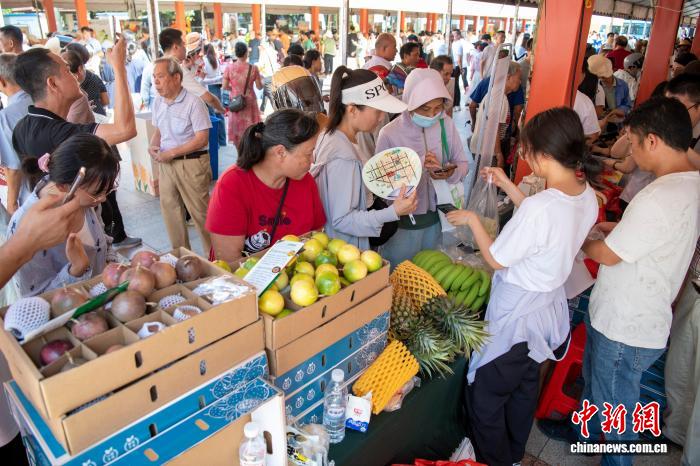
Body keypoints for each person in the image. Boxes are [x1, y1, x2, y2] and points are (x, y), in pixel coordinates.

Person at [448, 107, 599, 466]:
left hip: (516, 316)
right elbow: (545, 221)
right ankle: (515, 455)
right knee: (523, 389)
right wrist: (507, 185)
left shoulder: (542, 208)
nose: (525, 156)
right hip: (545, 315)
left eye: (528, 150)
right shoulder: (585, 193)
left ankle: (497, 460)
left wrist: (472, 220)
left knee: (486, 396)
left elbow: (496, 259)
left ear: (544, 155)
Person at [570, 97, 700, 466]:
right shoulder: (690, 183)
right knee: (599, 388)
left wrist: (581, 237)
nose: (632, 152)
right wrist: (621, 226)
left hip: (625, 325)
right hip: (638, 316)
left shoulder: (658, 196)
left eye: (633, 142)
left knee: (617, 411)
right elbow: (658, 236)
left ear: (653, 141)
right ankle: (584, 436)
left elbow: (607, 255)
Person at [12, 40, 141, 250]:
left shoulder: (22, 127)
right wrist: (119, 67)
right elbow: (125, 129)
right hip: (72, 244)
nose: (75, 75)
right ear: (53, 84)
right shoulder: (57, 132)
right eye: (67, 71)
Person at [311, 67, 415, 250]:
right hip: (346, 251)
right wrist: (393, 211)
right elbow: (342, 219)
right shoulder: (344, 157)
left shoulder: (332, 136)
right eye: (377, 111)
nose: (382, 117)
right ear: (352, 109)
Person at [375, 68, 469, 266]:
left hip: (438, 219)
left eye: (438, 108)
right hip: (401, 225)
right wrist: (416, 164)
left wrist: (448, 173)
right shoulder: (389, 133)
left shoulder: (446, 124)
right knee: (399, 275)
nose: (432, 114)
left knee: (432, 273)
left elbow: (462, 164)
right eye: (424, 109)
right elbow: (381, 184)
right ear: (409, 103)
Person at [9, 133, 120, 296]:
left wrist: (112, 266)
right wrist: (75, 270)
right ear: (63, 186)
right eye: (97, 193)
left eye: (107, 190)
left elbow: (103, 241)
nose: (103, 198)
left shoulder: (88, 201)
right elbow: (36, 298)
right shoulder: (24, 226)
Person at [207, 109, 326, 261]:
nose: (312, 160)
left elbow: (315, 238)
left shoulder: (305, 182)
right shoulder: (232, 185)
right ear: (280, 152)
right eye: (308, 153)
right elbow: (229, 261)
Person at [149, 57, 212, 253]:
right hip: (167, 165)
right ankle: (182, 256)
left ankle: (216, 256)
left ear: (176, 77)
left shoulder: (194, 103)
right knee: (171, 212)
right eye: (154, 77)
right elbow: (159, 130)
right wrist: (153, 144)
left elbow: (202, 139)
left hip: (191, 163)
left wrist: (172, 153)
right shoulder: (158, 102)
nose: (156, 82)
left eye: (160, 76)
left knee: (201, 213)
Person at [469, 61, 524, 169]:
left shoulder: (497, 94)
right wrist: (499, 154)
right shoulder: (500, 99)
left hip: (485, 148)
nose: (520, 81)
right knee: (488, 178)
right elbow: (493, 129)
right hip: (487, 151)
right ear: (508, 77)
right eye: (518, 78)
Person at [158, 28, 226, 115]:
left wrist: (188, 69)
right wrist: (221, 109)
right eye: (183, 44)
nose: (185, 48)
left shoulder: (157, 66)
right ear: (175, 47)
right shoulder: (177, 69)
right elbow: (210, 99)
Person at [0, 54, 32, 216]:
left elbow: (13, 167)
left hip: (30, 196)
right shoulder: (42, 99)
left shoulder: (6, 116)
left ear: (2, 81)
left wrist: (11, 204)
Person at [223, 42, 263, 147]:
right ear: (246, 53)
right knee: (251, 129)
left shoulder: (229, 68)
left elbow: (224, 86)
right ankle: (249, 152)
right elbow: (259, 87)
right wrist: (262, 80)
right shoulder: (253, 68)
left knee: (237, 130)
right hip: (250, 102)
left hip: (236, 102)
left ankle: (239, 153)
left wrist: (234, 89)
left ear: (236, 53)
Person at [62, 44, 109, 117]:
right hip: (99, 116)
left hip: (85, 119)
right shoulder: (94, 77)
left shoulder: (67, 83)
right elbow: (106, 101)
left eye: (67, 52)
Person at [587, 54, 631, 121]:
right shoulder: (594, 86)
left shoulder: (623, 85)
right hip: (601, 122)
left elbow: (627, 105)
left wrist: (620, 111)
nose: (601, 78)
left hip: (617, 122)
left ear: (612, 69)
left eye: (603, 75)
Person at [200, 43, 226, 146]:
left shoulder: (204, 61)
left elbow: (203, 78)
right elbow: (219, 73)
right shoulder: (216, 60)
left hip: (209, 87)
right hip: (217, 87)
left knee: (212, 114)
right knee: (219, 112)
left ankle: (216, 142)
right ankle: (222, 140)